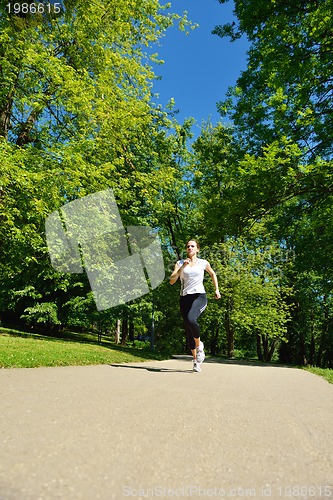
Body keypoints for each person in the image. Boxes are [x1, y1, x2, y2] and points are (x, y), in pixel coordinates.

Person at [170, 239, 221, 372]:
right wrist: (182, 267)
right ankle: (196, 360)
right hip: (184, 298)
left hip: (199, 296)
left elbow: (212, 274)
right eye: (188, 246)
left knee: (192, 319)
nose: (190, 248)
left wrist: (216, 290)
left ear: (197, 249)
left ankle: (199, 347)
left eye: (192, 246)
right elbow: (172, 280)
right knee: (188, 330)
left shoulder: (203, 263)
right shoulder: (180, 263)